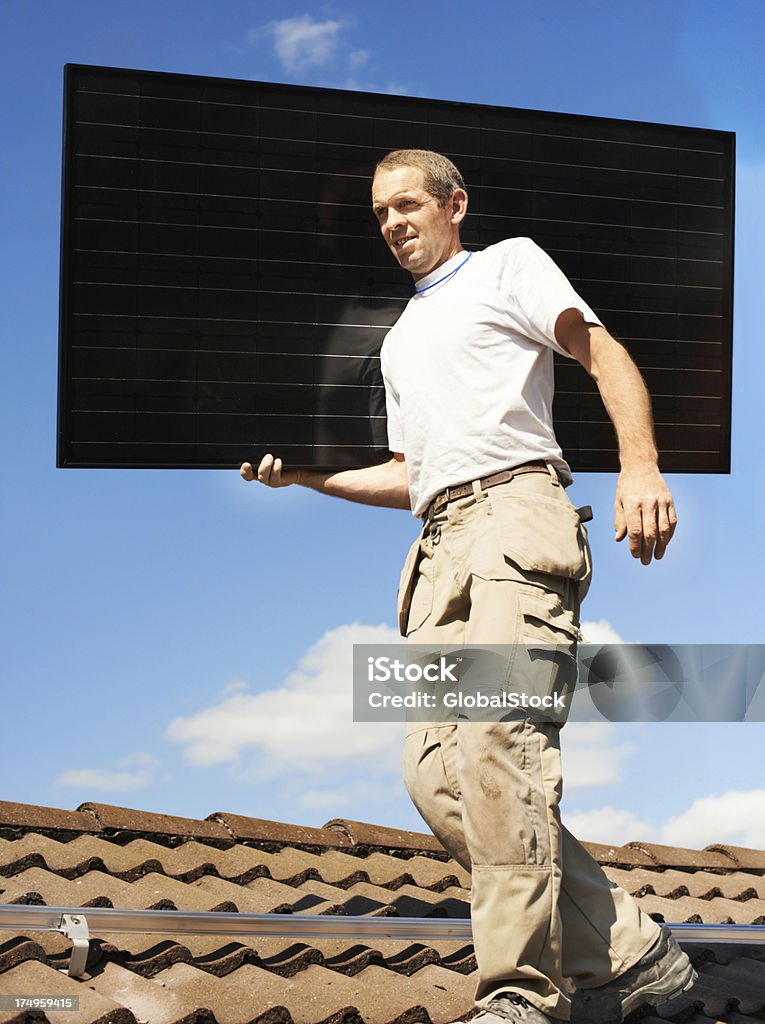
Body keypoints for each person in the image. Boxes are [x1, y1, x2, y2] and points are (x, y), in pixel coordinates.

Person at [240, 149, 696, 1024]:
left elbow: (600, 351)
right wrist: (303, 477)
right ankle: (632, 952)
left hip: (514, 521)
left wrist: (640, 465)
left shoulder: (507, 265)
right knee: (433, 777)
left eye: (407, 205)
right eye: (380, 214)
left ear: (455, 204)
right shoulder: (399, 338)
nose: (393, 224)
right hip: (436, 544)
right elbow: (408, 475)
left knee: (498, 745)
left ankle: (518, 994)